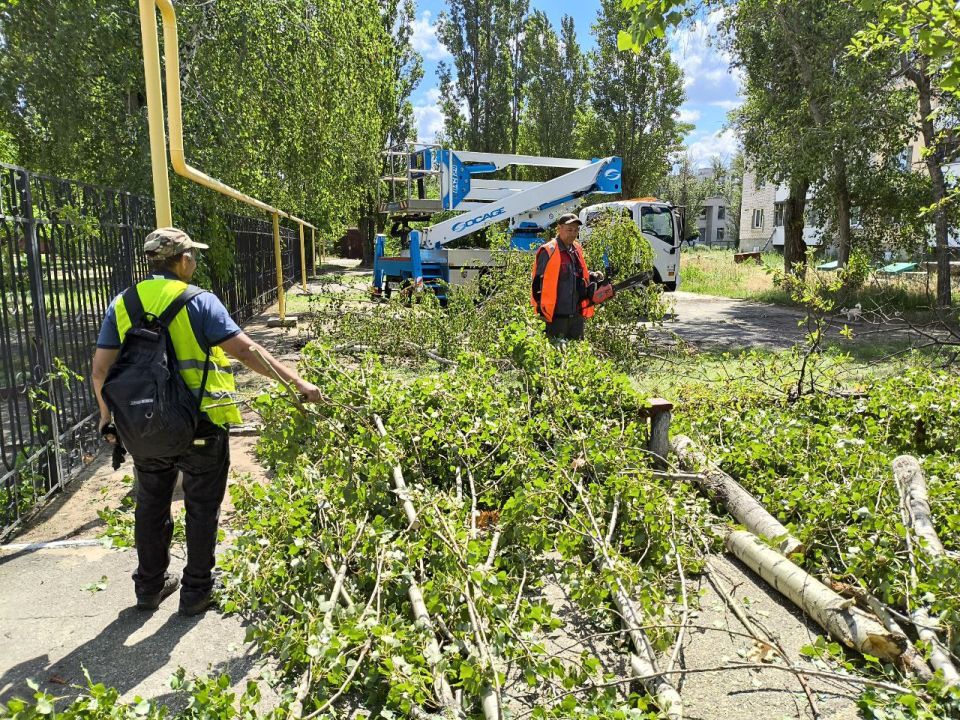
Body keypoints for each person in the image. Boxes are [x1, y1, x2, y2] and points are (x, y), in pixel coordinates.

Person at [91, 227, 321, 616]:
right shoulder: (199, 301)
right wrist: (298, 383)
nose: (194, 262)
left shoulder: (123, 303)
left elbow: (100, 370)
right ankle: (196, 591)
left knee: (151, 502)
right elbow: (246, 351)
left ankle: (148, 587)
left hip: (145, 425)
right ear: (183, 260)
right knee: (201, 506)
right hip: (201, 424)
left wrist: (107, 419)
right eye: (192, 256)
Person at [530, 213, 604, 341]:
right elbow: (537, 284)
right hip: (555, 317)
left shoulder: (576, 249)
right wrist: (541, 312)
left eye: (576, 230)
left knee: (577, 352)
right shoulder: (549, 250)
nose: (573, 234)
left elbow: (577, 274)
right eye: (569, 230)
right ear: (559, 228)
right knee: (555, 352)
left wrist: (592, 275)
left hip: (576, 315)